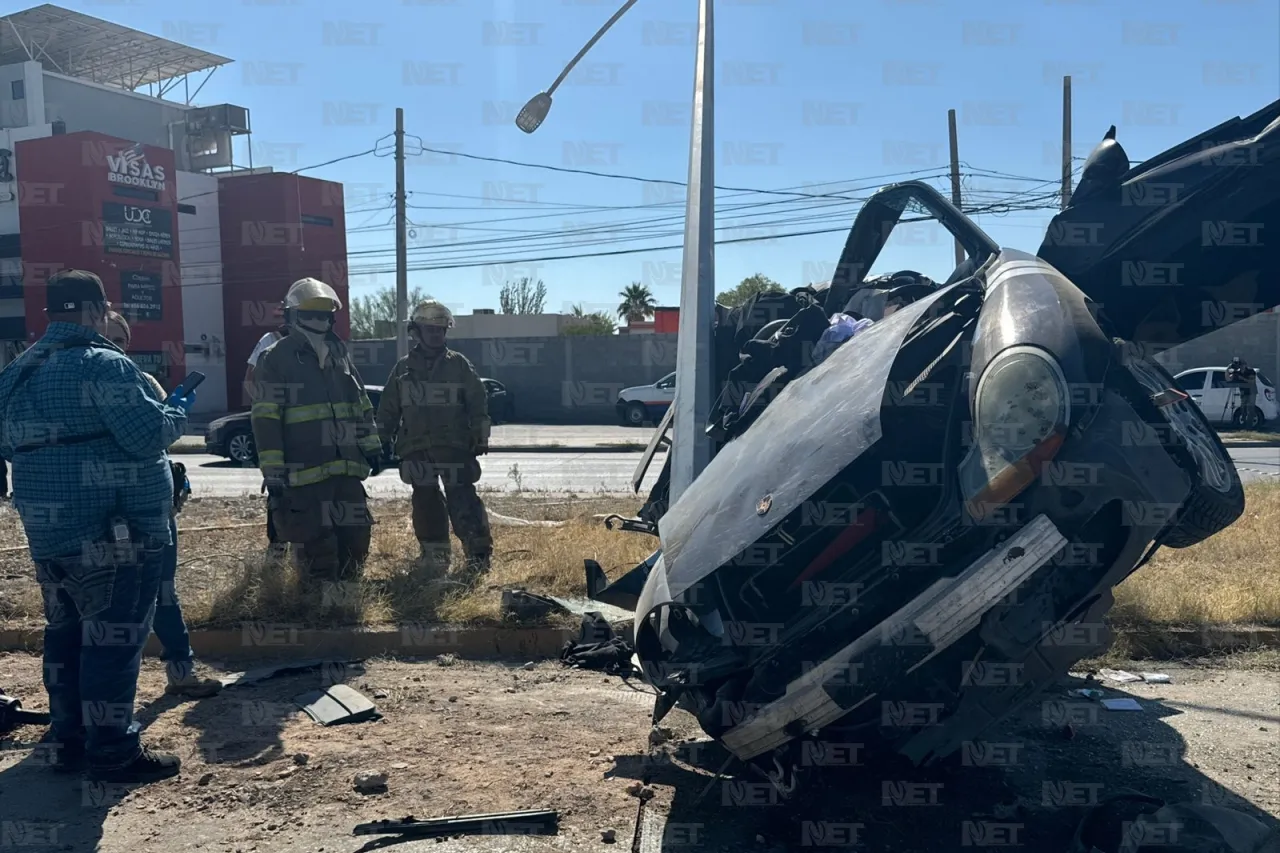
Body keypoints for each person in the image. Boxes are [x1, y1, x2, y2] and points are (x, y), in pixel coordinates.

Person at [0, 270, 194, 783]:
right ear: (94, 309)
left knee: (64, 637)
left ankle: (68, 742)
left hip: (49, 536)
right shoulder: (107, 365)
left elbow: (5, 446)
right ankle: (113, 753)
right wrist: (175, 411)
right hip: (117, 535)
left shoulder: (16, 371)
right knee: (112, 643)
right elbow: (146, 437)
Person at [104, 312, 222, 699]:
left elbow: (159, 441)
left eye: (121, 339)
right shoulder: (84, 387)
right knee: (113, 602)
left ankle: (181, 672)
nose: (115, 346)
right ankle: (113, 693)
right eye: (106, 337)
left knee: (164, 592)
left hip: (155, 510)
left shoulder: (144, 382)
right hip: (105, 515)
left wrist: (174, 476)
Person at [249, 278, 382, 605]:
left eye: (325, 313)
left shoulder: (339, 352)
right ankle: (320, 615)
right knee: (316, 544)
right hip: (305, 472)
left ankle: (347, 609)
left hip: (347, 471)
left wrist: (374, 447)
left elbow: (361, 403)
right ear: (294, 315)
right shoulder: (276, 357)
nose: (320, 320)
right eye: (312, 313)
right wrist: (273, 470)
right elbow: (266, 416)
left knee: (356, 538)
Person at [377, 299, 492, 582]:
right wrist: (378, 442)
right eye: (430, 330)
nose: (436, 335)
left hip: (455, 447)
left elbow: (478, 401)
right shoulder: (403, 370)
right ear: (416, 331)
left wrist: (480, 435)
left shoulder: (459, 365)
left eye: (441, 330)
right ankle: (435, 555)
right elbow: (388, 410)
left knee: (463, 499)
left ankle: (478, 555)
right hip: (417, 450)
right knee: (426, 502)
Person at [245, 303, 288, 556]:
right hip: (279, 428)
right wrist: (266, 410)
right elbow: (250, 378)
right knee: (277, 487)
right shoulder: (269, 341)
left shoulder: (321, 342)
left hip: (310, 431)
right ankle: (278, 547)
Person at [1225, 356, 1260, 429]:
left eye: (1243, 365)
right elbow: (1228, 379)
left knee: (1250, 408)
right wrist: (1228, 369)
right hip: (1243, 392)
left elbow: (1252, 381)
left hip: (1251, 391)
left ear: (1245, 365)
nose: (1242, 366)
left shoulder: (1250, 371)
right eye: (1240, 365)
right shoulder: (1237, 372)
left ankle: (1249, 427)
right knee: (1243, 408)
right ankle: (1244, 424)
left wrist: (1242, 378)